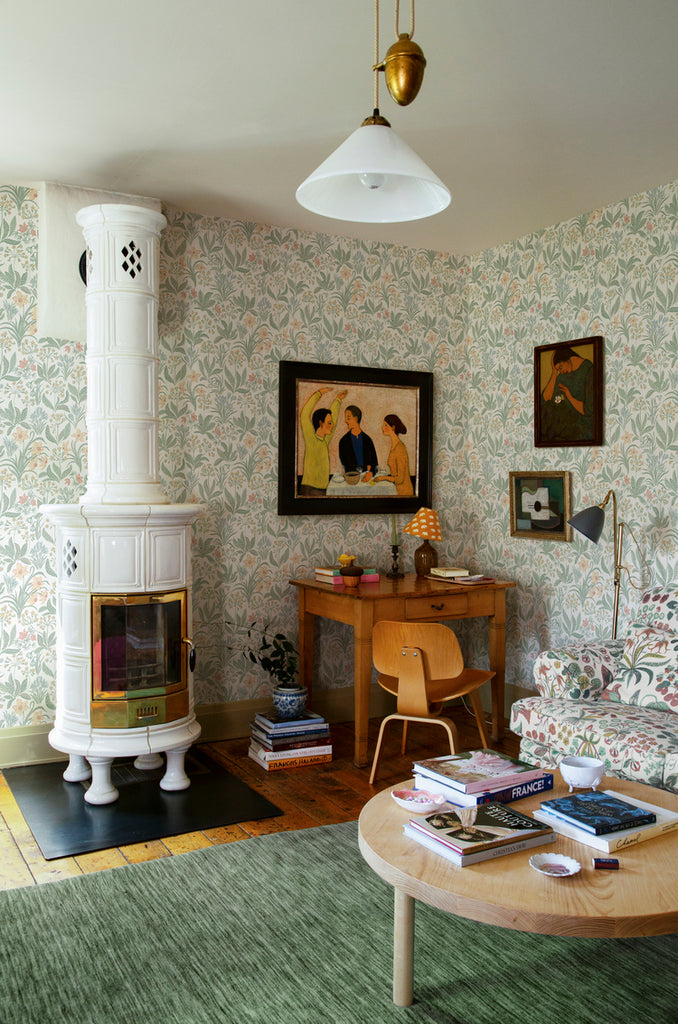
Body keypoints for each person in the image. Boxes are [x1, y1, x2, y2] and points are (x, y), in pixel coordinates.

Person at [540, 345, 594, 443]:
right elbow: (545, 398)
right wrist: (554, 372)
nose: (561, 371)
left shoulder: (589, 370)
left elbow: (587, 411)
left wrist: (569, 396)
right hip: (563, 428)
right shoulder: (564, 375)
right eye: (558, 370)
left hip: (582, 430)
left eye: (560, 367)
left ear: (568, 358)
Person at [299, 386, 347, 496]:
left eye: (331, 423)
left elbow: (333, 419)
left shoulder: (325, 441)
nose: (332, 425)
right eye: (329, 423)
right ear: (321, 423)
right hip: (309, 489)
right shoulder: (311, 438)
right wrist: (318, 394)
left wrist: (338, 400)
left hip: (322, 490)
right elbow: (304, 415)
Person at [372, 414, 414, 495]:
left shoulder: (400, 448)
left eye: (385, 425)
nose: (382, 427)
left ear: (393, 427)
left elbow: (400, 479)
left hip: (403, 491)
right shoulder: (394, 446)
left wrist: (383, 478)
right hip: (396, 488)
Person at [338, 405, 378, 481]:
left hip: (367, 478)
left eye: (348, 418)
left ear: (356, 418)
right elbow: (346, 466)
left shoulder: (367, 440)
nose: (346, 421)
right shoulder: (343, 441)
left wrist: (371, 473)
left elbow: (374, 464)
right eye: (345, 418)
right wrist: (366, 467)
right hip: (351, 479)